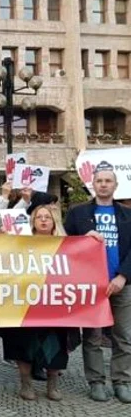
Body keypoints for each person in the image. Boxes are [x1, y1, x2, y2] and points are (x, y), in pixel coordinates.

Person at [0, 205, 78, 401]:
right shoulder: (21, 242)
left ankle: (52, 385)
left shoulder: (66, 245)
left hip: (56, 304)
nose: (44, 220)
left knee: (55, 344)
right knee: (24, 343)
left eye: (47, 217)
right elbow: (2, 259)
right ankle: (26, 383)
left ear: (54, 221)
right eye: (39, 217)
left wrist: (93, 239)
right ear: (33, 222)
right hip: (26, 304)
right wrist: (3, 239)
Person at [64, 164, 131, 403]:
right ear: (92, 184)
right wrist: (84, 238)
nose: (103, 184)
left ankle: (122, 381)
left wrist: (123, 276)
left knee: (123, 336)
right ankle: (96, 382)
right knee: (92, 336)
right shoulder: (77, 212)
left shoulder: (128, 214)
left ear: (115, 185)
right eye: (99, 180)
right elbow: (65, 245)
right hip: (90, 285)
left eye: (108, 181)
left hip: (121, 284)